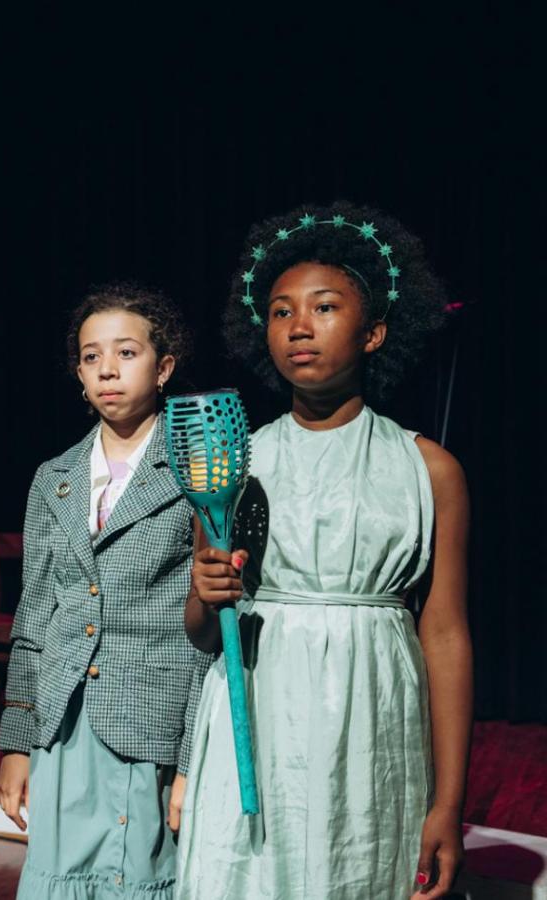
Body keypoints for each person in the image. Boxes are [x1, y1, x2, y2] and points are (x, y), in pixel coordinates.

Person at [176, 202, 472, 899]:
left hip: (372, 715)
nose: (299, 327)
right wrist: (207, 595)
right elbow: (202, 633)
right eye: (281, 312)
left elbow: (446, 635)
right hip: (260, 714)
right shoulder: (232, 463)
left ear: (373, 333)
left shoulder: (429, 470)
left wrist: (449, 804)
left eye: (324, 307)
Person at [0, 285, 209, 898]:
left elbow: (213, 634)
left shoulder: (200, 469)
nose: (107, 370)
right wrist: (18, 741)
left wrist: (193, 759)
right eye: (91, 357)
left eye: (126, 353)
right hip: (64, 725)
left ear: (164, 368)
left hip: (152, 720)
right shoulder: (54, 478)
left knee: (136, 878)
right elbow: (34, 619)